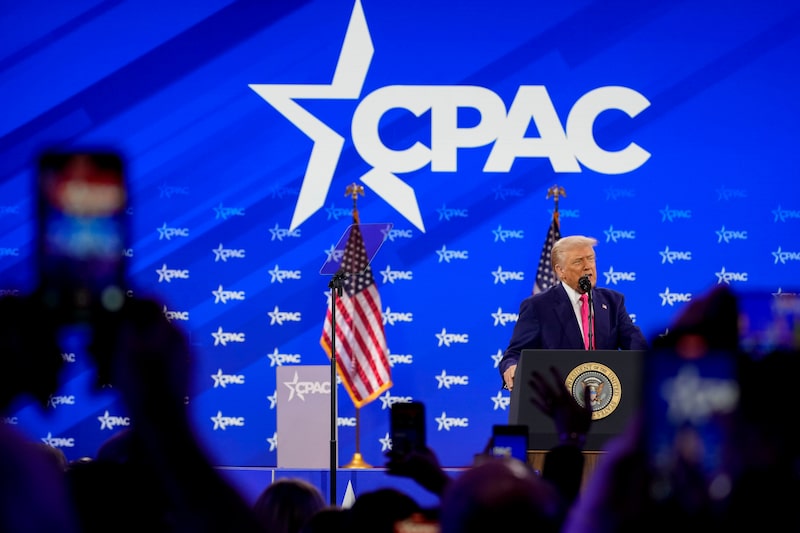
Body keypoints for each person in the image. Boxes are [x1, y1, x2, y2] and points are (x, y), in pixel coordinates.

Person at [499, 235, 648, 391]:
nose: (587, 266)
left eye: (590, 259)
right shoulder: (538, 306)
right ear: (560, 270)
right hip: (558, 399)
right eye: (578, 261)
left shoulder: (612, 302)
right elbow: (515, 353)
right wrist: (512, 367)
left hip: (605, 397)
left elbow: (635, 345)